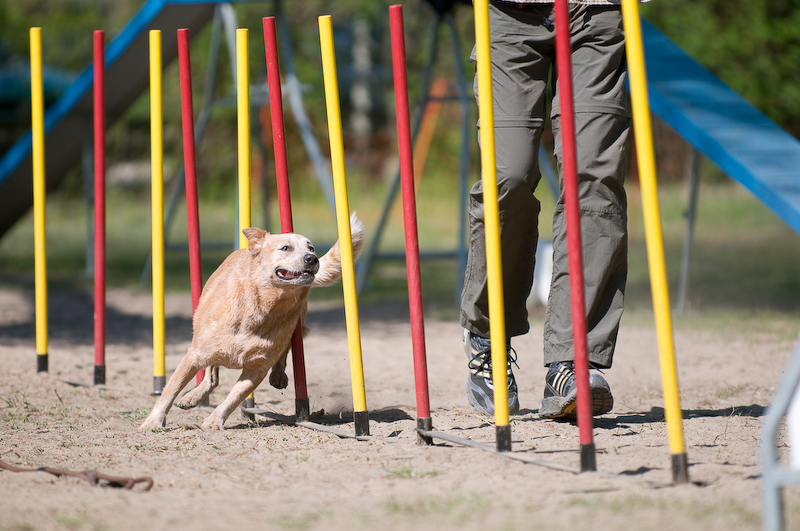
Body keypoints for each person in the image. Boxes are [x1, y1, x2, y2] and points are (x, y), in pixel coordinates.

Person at [461, 0, 631, 419]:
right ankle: (489, 335)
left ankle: (572, 361)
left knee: (594, 177)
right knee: (509, 177)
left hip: (597, 12)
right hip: (508, 13)